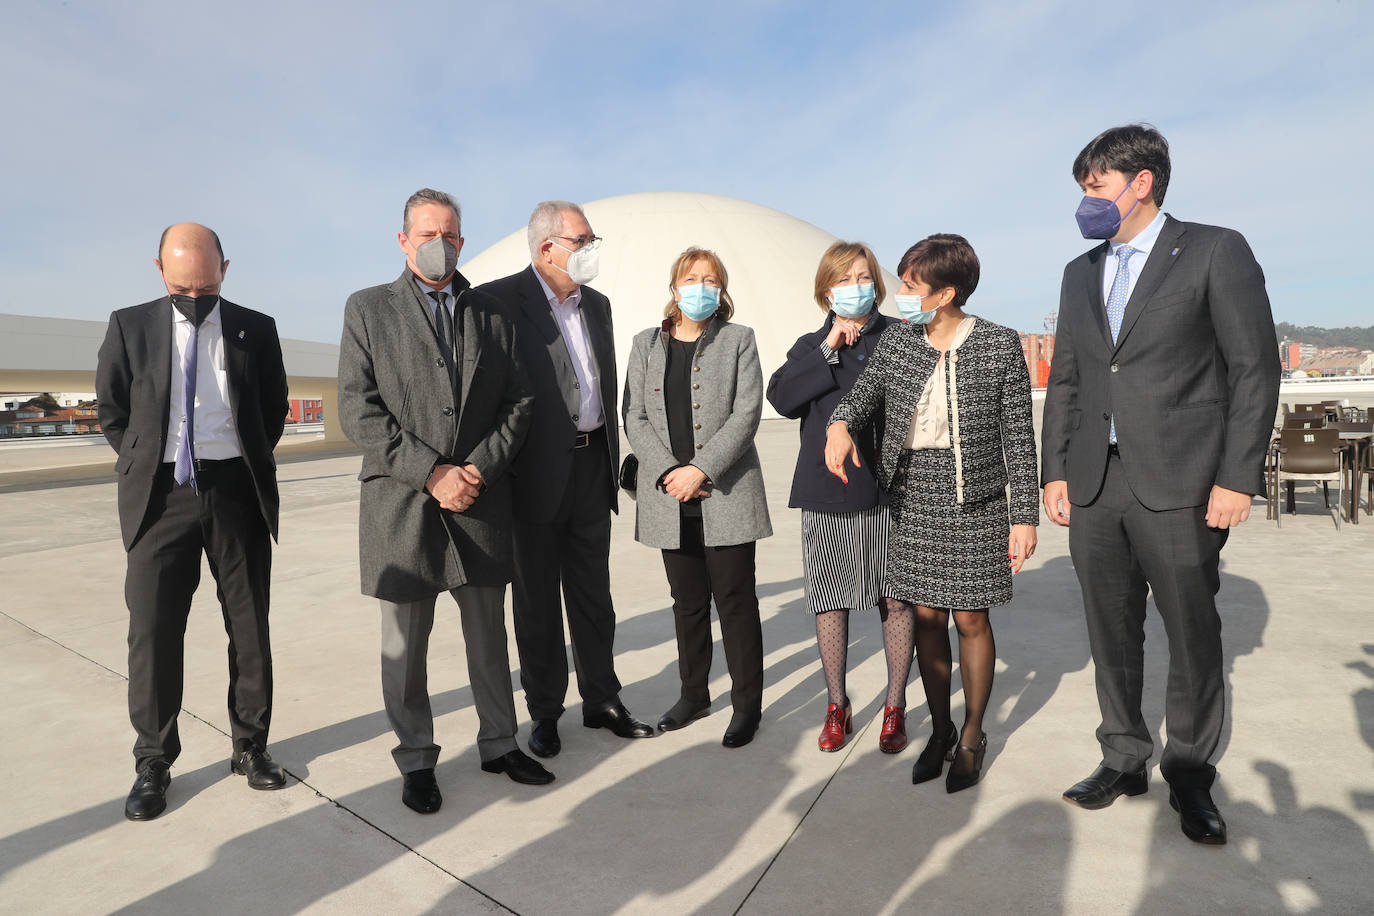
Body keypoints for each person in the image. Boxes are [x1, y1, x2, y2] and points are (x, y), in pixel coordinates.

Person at [1042, 125, 1279, 844]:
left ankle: (1190, 772)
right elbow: (1072, 380)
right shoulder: (1081, 271)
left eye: (1096, 185)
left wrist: (1237, 476)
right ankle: (1122, 754)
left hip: (1182, 481)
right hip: (1095, 484)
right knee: (1109, 631)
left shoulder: (1213, 249)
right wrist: (1056, 467)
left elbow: (1253, 370)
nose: (1087, 199)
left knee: (1192, 631)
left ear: (1140, 182)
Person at [338, 188, 551, 815]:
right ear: (404, 240)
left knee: (488, 636)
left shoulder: (491, 313)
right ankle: (416, 758)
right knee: (404, 647)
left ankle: (498, 742)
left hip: (480, 503)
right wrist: (431, 473)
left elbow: (520, 403)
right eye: (429, 233)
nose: (442, 243)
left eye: (452, 234)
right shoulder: (369, 310)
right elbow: (358, 407)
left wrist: (476, 468)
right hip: (402, 504)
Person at [827, 234, 1039, 793]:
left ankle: (971, 734)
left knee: (970, 617)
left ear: (945, 293)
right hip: (916, 492)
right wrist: (839, 425)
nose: (899, 294)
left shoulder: (997, 345)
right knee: (925, 618)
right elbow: (861, 396)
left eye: (910, 285)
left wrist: (1025, 515)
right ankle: (940, 729)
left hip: (978, 499)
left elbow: (1019, 437)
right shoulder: (898, 345)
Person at [96, 223, 290, 821]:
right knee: (153, 632)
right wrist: (147, 464)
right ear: (159, 270)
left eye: (205, 287)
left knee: (249, 626)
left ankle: (251, 746)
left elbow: (273, 409)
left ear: (224, 270)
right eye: (183, 287)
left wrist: (234, 461)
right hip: (161, 496)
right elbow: (113, 411)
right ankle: (153, 760)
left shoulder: (255, 328)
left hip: (235, 491)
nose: (195, 299)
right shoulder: (131, 326)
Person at [476, 201, 654, 757]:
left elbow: (601, 383)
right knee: (536, 604)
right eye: (583, 240)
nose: (592, 247)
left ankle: (602, 697)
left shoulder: (595, 305)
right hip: (531, 475)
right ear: (547, 248)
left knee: (593, 596)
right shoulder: (499, 301)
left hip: (588, 469)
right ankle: (546, 711)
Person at [623, 247, 771, 748]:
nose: (700, 286)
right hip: (669, 494)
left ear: (722, 289)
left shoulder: (738, 340)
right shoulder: (645, 344)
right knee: (687, 603)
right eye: (691, 277)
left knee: (734, 601)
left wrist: (701, 469)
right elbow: (634, 417)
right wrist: (670, 472)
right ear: (674, 286)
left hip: (725, 489)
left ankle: (746, 705)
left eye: (711, 279)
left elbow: (746, 412)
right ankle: (693, 694)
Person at [766, 242, 906, 754]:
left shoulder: (900, 336)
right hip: (830, 490)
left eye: (863, 277)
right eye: (844, 280)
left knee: (896, 597)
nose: (856, 287)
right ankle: (836, 704)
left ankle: (894, 705)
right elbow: (781, 398)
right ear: (826, 291)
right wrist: (829, 347)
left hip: (893, 488)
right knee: (831, 598)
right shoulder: (812, 343)